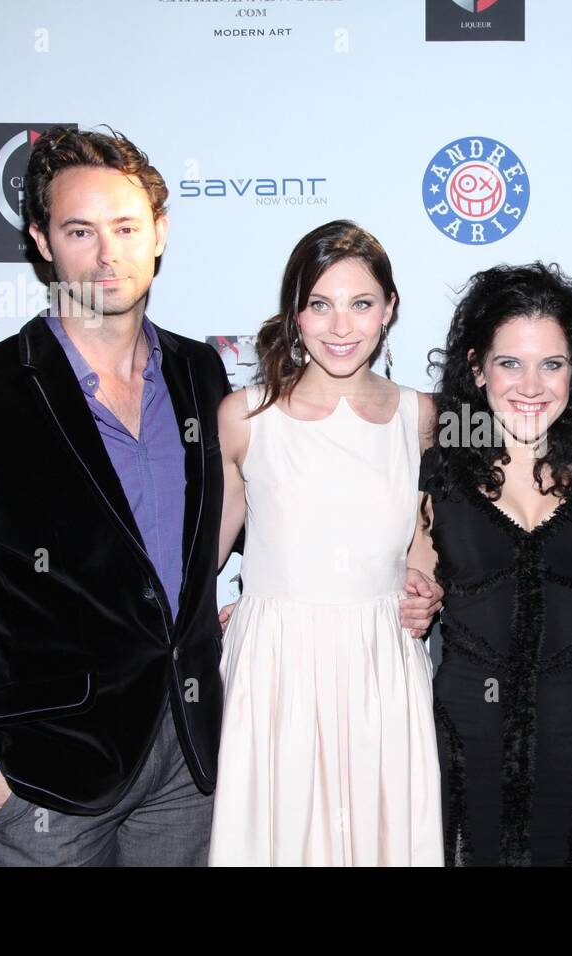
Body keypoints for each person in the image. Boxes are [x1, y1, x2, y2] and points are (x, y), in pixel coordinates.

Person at [0, 127, 233, 865]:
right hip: (45, 785)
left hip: (191, 766)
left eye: (126, 227)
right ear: (40, 241)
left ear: (159, 233)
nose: (107, 253)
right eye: (79, 230)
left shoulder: (200, 374)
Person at [208, 220, 444, 866]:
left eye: (361, 304)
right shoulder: (245, 417)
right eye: (321, 304)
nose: (342, 327)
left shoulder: (419, 417)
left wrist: (424, 587)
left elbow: (421, 540)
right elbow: (201, 557)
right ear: (296, 313)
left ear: (390, 309)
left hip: (381, 662)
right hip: (275, 666)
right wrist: (208, 622)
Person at [410, 262, 572, 866]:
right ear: (477, 369)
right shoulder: (439, 466)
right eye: (510, 363)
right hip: (459, 745)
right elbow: (404, 582)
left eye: (552, 364)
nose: (532, 385)